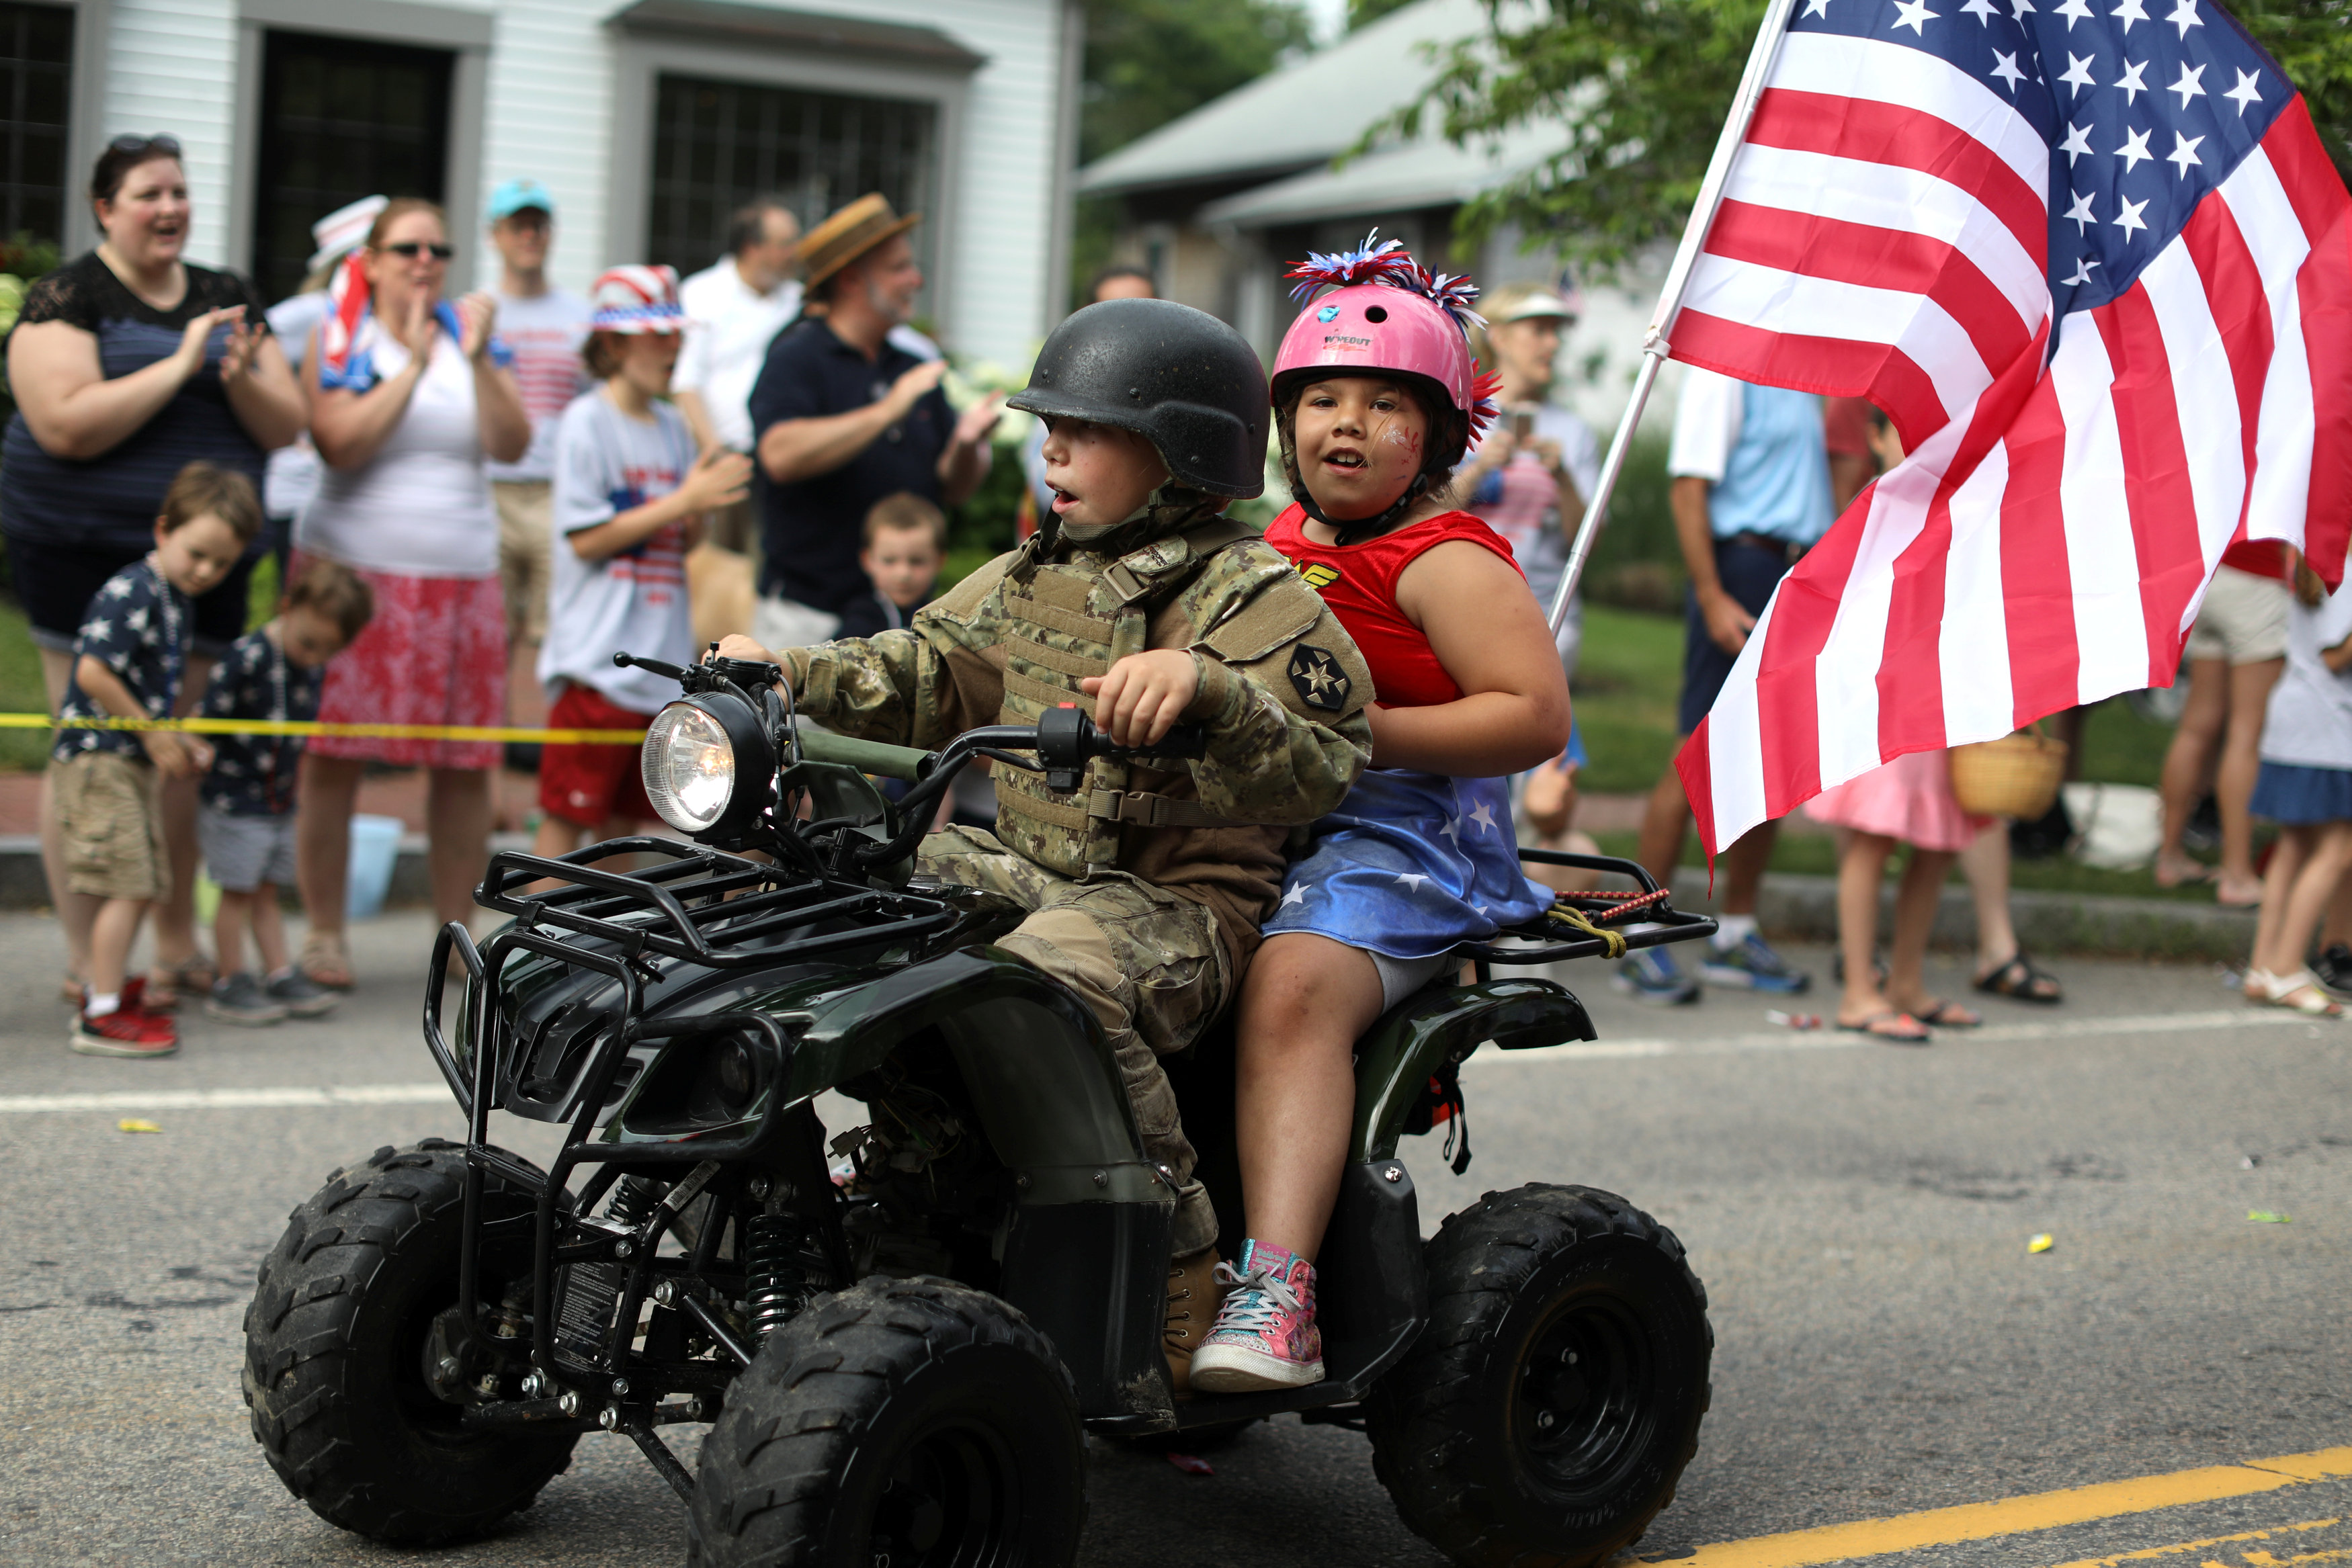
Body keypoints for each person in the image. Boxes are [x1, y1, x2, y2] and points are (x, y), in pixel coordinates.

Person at [714, 295, 1373, 1395]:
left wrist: (1208, 688)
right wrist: (788, 672)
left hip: (1172, 907)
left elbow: (1328, 757)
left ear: (1178, 451)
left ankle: (1181, 1254)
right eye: (1047, 424)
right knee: (829, 908)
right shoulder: (1038, 569)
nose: (1052, 447)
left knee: (1044, 980)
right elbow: (923, 673)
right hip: (1025, 865)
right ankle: (886, 1189)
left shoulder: (1252, 593)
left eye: (1086, 428)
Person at [1185, 241, 1569, 1394]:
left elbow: (1534, 714)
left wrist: (1363, 733)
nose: (1345, 423)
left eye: (1384, 402)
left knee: (1293, 983)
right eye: (1320, 399)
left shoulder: (1443, 560)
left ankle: (1279, 1288)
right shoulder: (1278, 546)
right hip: (1277, 811)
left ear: (1438, 436)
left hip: (1404, 839)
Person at [4, 133, 308, 1010]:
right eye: (149, 193)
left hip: (206, 563)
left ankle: (172, 945)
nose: (170, 207)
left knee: (177, 754)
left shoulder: (227, 295)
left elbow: (284, 423)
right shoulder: (67, 297)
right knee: (96, 755)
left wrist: (241, 375)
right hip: (82, 555)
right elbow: (63, 424)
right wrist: (182, 363)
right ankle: (85, 956)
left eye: (179, 190)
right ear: (106, 207)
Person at [292, 198, 530, 989]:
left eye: (438, 248)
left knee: (464, 764)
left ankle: (455, 934)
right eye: (406, 249)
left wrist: (481, 354)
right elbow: (340, 441)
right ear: (370, 258)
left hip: (462, 576)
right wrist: (421, 364)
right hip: (350, 576)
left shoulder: (473, 342)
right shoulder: (342, 336)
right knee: (333, 757)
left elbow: (512, 441)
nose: (425, 262)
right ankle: (325, 931)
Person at [1618, 367, 1833, 1004]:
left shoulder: (1808, 371)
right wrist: (1712, 596)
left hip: (1794, 569)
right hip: (1740, 568)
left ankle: (1735, 935)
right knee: (1699, 753)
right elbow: (1689, 488)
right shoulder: (1728, 369)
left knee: (1771, 761)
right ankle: (1637, 938)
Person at [535, 266, 751, 859]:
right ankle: (527, 948)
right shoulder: (587, 421)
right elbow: (585, 540)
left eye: (675, 334)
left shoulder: (673, 427)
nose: (673, 346)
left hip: (653, 667)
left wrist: (701, 504)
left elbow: (678, 544)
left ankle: (592, 948)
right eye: (657, 334)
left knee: (625, 832)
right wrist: (685, 500)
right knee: (564, 825)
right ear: (613, 344)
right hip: (595, 665)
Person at [47, 462, 262, 1056]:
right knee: (131, 882)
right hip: (99, 760)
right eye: (197, 553)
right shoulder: (133, 591)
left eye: (221, 564)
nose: (206, 571)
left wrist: (176, 739)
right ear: (163, 529)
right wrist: (150, 735)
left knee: (144, 882)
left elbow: (143, 694)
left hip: (127, 759)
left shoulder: (173, 600)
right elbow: (92, 672)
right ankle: (102, 1012)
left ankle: (107, 986)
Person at [745, 193, 1001, 648]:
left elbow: (955, 488)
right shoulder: (796, 357)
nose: (915, 279)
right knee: (800, 724)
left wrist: (966, 444)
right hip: (810, 620)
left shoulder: (909, 363)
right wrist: (887, 410)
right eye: (899, 267)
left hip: (902, 622)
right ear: (850, 279)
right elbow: (778, 455)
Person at [197, 558, 373, 1026]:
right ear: (287, 607)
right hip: (235, 800)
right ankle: (230, 979)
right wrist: (197, 751)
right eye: (308, 644)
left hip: (276, 802)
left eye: (328, 651)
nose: (314, 658)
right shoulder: (247, 657)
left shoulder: (307, 668)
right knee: (236, 891)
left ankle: (277, 972)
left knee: (265, 890)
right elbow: (208, 717)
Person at [480, 178, 593, 763]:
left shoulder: (579, 316)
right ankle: (490, 759)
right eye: (517, 225)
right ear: (494, 235)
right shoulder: (478, 310)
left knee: (556, 630)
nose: (530, 235)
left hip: (557, 491)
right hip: (489, 490)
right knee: (491, 632)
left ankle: (552, 761)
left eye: (539, 224)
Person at [1454, 279, 1601, 674]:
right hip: (1459, 607)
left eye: (1556, 333)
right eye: (1539, 330)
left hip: (1549, 615)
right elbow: (1424, 511)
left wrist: (1564, 478)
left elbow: (1589, 542)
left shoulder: (1574, 432)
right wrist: (1481, 467)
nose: (1552, 344)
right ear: (1498, 337)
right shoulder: (1459, 418)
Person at [2242, 556, 2352, 1016]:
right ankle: (2287, 969)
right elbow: (2336, 656)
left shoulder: (2313, 554)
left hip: (2296, 721)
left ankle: (2264, 967)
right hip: (2326, 727)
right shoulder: (2344, 567)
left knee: (2293, 845)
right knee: (2337, 851)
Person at [2156, 544, 2291, 906]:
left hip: (2217, 575)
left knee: (2196, 728)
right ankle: (2237, 875)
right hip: (2260, 583)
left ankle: (2169, 857)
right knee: (2246, 735)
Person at [263, 195, 387, 581]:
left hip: (357, 496)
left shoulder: (378, 318)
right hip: (299, 492)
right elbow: (255, 347)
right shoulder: (312, 312)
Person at [674, 195, 802, 556]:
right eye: (785, 243)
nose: (796, 252)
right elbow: (685, 383)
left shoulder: (798, 300)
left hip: (780, 464)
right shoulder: (701, 294)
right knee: (716, 572)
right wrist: (715, 454)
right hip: (725, 461)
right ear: (752, 247)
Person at [1019, 265, 1156, 531]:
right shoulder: (1069, 386)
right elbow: (1046, 491)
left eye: (1141, 308)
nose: (1051, 450)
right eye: (1112, 309)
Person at [835, 490, 946, 638]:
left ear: (939, 561)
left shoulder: (944, 620)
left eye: (917, 561)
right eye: (889, 561)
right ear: (867, 560)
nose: (903, 574)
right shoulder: (859, 622)